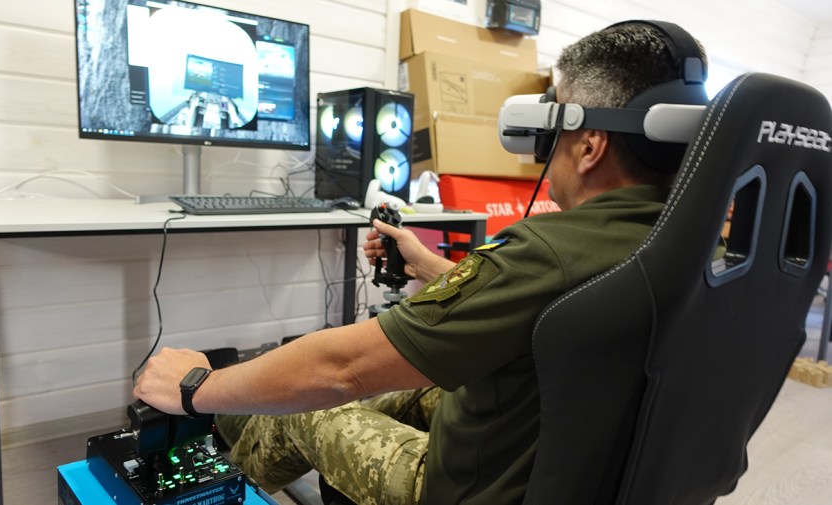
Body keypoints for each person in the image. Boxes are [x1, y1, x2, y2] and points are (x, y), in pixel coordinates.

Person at [133, 20, 707, 505]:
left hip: (478, 490)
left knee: (306, 408)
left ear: (589, 145)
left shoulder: (549, 250)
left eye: (554, 123)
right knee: (360, 392)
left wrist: (195, 385)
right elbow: (559, 315)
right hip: (582, 460)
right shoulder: (695, 243)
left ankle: (209, 485)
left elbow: (338, 369)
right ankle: (234, 424)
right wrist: (433, 269)